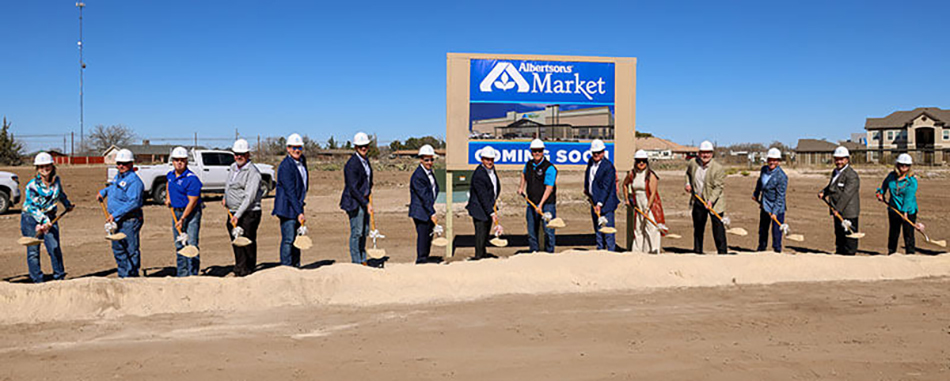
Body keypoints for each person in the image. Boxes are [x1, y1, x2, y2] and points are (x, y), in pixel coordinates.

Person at [20, 152, 74, 283]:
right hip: (31, 218)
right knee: (33, 251)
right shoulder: (32, 186)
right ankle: (37, 280)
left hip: (50, 217)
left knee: (54, 248)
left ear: (52, 166)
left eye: (47, 166)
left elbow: (59, 193)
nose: (44, 169)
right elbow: (32, 207)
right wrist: (44, 221)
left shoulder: (56, 181)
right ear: (37, 168)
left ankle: (59, 278)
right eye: (41, 166)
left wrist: (67, 204)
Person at [97, 148, 144, 278]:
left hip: (129, 221)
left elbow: (133, 202)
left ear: (131, 164)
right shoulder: (118, 176)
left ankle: (131, 277)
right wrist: (103, 192)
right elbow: (112, 187)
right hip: (116, 221)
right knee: (118, 249)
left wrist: (115, 214)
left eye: (124, 163)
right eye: (119, 163)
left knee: (130, 250)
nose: (121, 166)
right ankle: (122, 276)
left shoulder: (134, 181)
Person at [224, 138, 264, 276]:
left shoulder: (253, 172)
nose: (238, 157)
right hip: (233, 211)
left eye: (242, 154)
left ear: (248, 155)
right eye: (236, 154)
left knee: (246, 240)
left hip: (249, 213)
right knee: (236, 240)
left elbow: (249, 197)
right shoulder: (233, 167)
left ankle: (247, 269)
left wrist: (237, 215)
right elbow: (228, 185)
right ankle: (239, 267)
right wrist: (225, 198)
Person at [165, 147, 202, 277]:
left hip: (191, 214)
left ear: (186, 161)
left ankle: (192, 274)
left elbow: (192, 202)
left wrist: (183, 219)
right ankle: (182, 274)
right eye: (176, 160)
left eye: (182, 160)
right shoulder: (170, 175)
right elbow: (168, 184)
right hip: (176, 213)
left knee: (191, 244)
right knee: (180, 243)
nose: (179, 163)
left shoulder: (192, 179)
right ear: (172, 161)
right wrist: (168, 198)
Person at [685, 140, 727, 254]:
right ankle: (698, 252)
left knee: (718, 229)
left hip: (715, 203)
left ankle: (723, 253)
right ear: (699, 153)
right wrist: (687, 184)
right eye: (703, 152)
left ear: (712, 154)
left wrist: (710, 201)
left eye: (708, 152)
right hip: (699, 200)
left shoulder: (718, 168)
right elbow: (688, 174)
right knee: (698, 228)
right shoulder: (693, 163)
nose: (705, 155)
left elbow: (718, 187)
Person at [273, 133, 308, 268]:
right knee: (288, 239)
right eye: (293, 148)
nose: (297, 150)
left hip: (297, 205)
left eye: (299, 147)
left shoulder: (302, 161)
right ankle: (286, 267)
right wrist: (299, 212)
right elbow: (290, 192)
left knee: (297, 239)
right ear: (288, 149)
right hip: (287, 208)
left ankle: (296, 265)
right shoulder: (286, 166)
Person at [818, 146, 860, 255]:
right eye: (837, 159)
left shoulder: (852, 175)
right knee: (839, 234)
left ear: (847, 159)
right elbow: (832, 186)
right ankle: (839, 253)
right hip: (836, 209)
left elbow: (847, 194)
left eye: (841, 159)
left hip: (848, 211)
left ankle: (850, 255)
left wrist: (838, 209)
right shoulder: (835, 172)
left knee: (849, 237)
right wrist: (824, 192)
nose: (839, 162)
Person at [518, 139, 558, 253]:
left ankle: (549, 252)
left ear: (543, 151)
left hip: (547, 204)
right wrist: (521, 187)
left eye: (539, 151)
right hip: (531, 203)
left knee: (548, 230)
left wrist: (540, 205)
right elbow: (523, 174)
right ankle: (534, 252)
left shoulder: (549, 168)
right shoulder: (529, 164)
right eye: (534, 151)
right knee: (532, 231)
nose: (536, 153)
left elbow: (549, 188)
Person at [340, 132, 374, 265]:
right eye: (360, 146)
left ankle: (363, 258)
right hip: (354, 202)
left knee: (365, 231)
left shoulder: (366, 161)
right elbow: (353, 188)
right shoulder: (352, 164)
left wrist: (369, 190)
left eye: (365, 145)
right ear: (355, 147)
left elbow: (368, 178)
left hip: (364, 200)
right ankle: (356, 262)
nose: (363, 148)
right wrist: (366, 203)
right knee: (357, 232)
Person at [622, 149, 664, 254]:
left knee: (651, 229)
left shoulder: (651, 175)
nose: (641, 163)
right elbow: (625, 185)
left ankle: (652, 251)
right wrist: (627, 199)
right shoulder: (632, 174)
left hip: (650, 205)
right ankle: (637, 252)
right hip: (638, 204)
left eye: (643, 161)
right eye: (639, 161)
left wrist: (647, 208)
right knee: (638, 229)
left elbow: (653, 193)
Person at [876, 153, 917, 255]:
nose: (904, 167)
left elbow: (909, 197)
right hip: (893, 209)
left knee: (908, 234)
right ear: (897, 165)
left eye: (906, 165)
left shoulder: (912, 181)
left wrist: (905, 212)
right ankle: (891, 252)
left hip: (909, 210)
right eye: (902, 164)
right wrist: (881, 193)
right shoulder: (891, 176)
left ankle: (910, 254)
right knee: (893, 233)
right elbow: (884, 185)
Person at [466, 146, 500, 260]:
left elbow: (494, 188)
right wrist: (491, 212)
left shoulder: (492, 170)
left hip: (488, 206)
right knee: (480, 235)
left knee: (485, 234)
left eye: (491, 159)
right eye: (487, 159)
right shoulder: (479, 174)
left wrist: (494, 203)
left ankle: (483, 254)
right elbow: (483, 196)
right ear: (482, 160)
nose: (490, 162)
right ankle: (479, 257)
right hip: (479, 209)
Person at [408, 144, 440, 264]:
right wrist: (431, 212)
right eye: (426, 160)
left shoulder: (430, 173)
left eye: (431, 159)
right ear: (421, 159)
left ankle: (425, 258)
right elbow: (423, 196)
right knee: (423, 236)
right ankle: (421, 260)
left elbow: (434, 190)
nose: (429, 162)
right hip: (420, 211)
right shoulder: (418, 176)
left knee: (428, 236)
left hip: (427, 208)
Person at [584, 139, 618, 251]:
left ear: (603, 152)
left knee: (608, 232)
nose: (596, 155)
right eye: (594, 152)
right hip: (594, 202)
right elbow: (589, 178)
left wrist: (600, 203)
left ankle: (611, 253)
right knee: (598, 231)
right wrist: (587, 190)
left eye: (598, 152)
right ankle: (600, 252)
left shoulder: (608, 167)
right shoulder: (590, 162)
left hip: (606, 204)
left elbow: (606, 188)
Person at [752, 148, 788, 252]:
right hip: (765, 204)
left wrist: (775, 212)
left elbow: (780, 197)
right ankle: (761, 249)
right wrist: (756, 193)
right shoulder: (764, 170)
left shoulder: (782, 176)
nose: (772, 162)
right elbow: (760, 182)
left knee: (776, 231)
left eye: (775, 160)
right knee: (763, 229)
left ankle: (777, 250)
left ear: (778, 161)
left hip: (777, 206)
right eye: (770, 159)